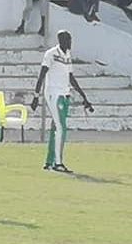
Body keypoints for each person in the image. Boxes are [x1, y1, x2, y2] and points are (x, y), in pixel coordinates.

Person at [30, 30, 93, 172]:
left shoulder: (67, 55)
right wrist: (36, 96)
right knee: (61, 128)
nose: (70, 42)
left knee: (55, 129)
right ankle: (58, 163)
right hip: (54, 94)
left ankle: (49, 162)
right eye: (68, 40)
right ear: (61, 40)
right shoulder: (51, 54)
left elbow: (71, 77)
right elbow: (41, 75)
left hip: (65, 94)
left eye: (70, 39)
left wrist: (84, 97)